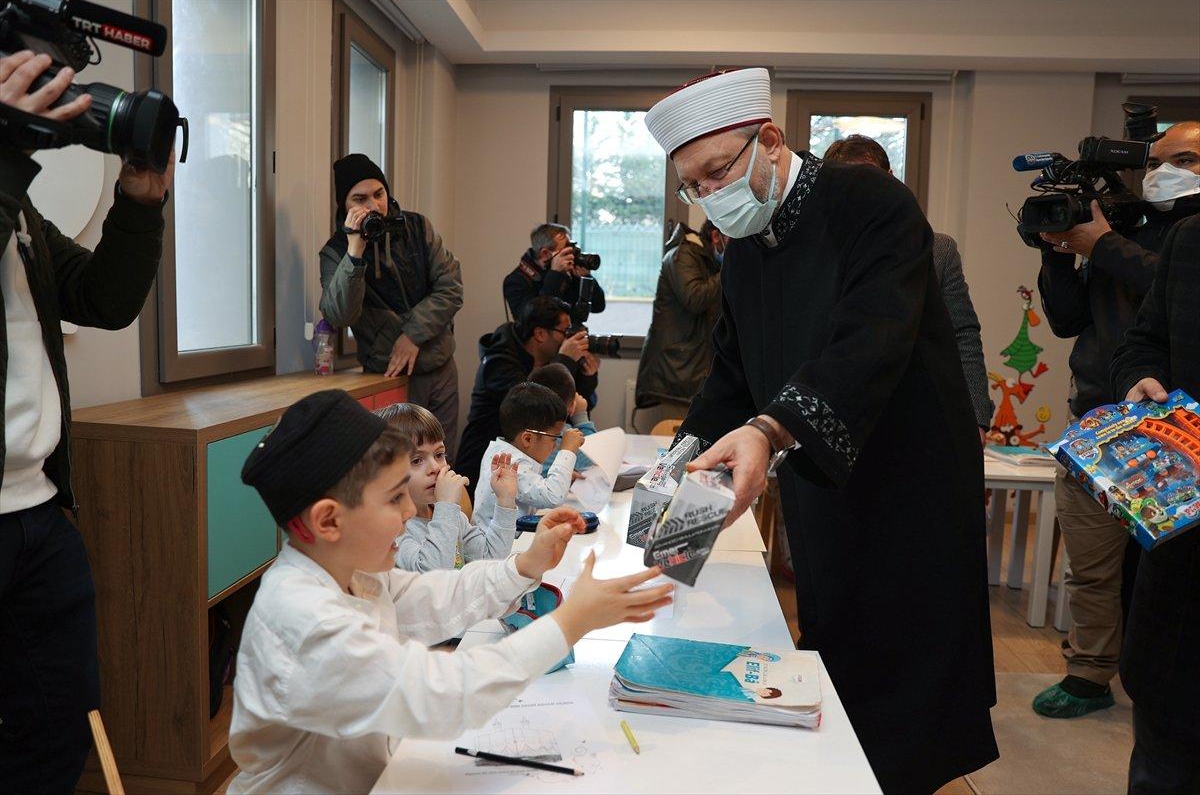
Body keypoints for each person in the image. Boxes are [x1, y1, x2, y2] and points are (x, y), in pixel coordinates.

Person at [645, 68, 996, 793]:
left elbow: (871, 338)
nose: (710, 198)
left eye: (718, 174)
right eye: (694, 187)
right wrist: (673, 463)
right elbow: (732, 377)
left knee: (906, 697)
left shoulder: (868, 203)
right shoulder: (745, 251)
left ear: (770, 140)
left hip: (908, 486)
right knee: (835, 658)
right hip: (823, 482)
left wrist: (771, 430)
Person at [230, 390, 672, 793]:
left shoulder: (353, 571)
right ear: (328, 521)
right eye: (392, 499)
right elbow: (442, 693)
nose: (409, 512)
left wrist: (525, 563)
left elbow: (434, 594)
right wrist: (570, 622)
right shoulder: (308, 621)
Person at [0, 49, 173, 790]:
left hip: (38, 515)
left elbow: (102, 298)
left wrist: (139, 199)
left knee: (53, 738)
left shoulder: (23, 216)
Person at [1031, 121, 1200, 718]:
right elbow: (1067, 319)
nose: (1161, 172)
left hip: (1181, 438)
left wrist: (1099, 244)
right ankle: (1088, 672)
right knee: (1091, 564)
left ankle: (1154, 676)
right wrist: (1058, 252)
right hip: (1101, 417)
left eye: (1182, 159)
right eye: (1153, 161)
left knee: (1169, 575)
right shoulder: (1119, 226)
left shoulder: (1181, 240)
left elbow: (1170, 287)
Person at [1109, 214, 1200, 795]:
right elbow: (1144, 341)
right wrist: (1141, 377)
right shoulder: (1190, 239)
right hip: (1182, 546)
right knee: (1165, 748)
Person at [822, 134, 994, 441]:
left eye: (869, 179)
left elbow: (962, 333)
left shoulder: (937, 251)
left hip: (919, 412)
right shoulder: (820, 255)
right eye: (848, 182)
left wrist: (976, 416)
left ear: (892, 181)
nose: (860, 192)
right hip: (841, 412)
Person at [318, 153, 465, 460]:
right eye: (360, 199)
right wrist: (355, 252)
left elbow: (451, 288)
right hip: (386, 375)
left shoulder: (418, 227)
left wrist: (412, 335)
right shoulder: (335, 251)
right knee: (396, 468)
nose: (373, 206)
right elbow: (339, 315)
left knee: (443, 462)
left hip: (439, 367)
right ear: (344, 205)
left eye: (379, 194)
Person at [455, 296, 598, 497]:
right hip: (488, 471)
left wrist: (587, 376)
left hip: (526, 469)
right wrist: (564, 360)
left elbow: (573, 405)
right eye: (564, 332)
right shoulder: (500, 364)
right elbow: (539, 408)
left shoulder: (544, 361)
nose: (568, 339)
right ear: (540, 333)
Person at [377, 402, 517, 571]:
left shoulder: (448, 514)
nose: (435, 468)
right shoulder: (395, 528)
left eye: (439, 454)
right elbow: (431, 576)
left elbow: (490, 559)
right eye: (416, 460)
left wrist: (505, 500)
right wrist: (446, 507)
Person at [634, 220, 724, 428]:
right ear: (715, 235)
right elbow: (695, 298)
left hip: (689, 370)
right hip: (676, 374)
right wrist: (730, 267)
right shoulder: (681, 256)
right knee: (674, 449)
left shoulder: (707, 260)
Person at [473, 382, 584, 526]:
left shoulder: (502, 451)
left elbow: (533, 491)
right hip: (498, 546)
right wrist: (567, 451)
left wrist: (564, 477)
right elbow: (554, 496)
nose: (556, 445)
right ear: (527, 438)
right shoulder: (508, 464)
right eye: (554, 438)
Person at [503, 222, 606, 321]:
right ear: (545, 253)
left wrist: (586, 278)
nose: (571, 255)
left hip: (573, 335)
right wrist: (555, 274)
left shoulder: (568, 273)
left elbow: (598, 306)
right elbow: (536, 319)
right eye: (566, 251)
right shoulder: (515, 282)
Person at [529, 361, 597, 473]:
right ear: (571, 406)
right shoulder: (564, 434)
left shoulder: (522, 428)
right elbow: (592, 460)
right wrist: (581, 417)